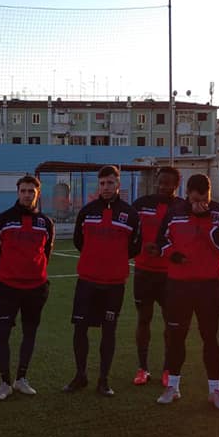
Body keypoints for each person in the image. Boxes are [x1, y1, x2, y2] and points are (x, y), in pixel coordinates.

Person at [156, 173, 219, 410]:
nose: (200, 203)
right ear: (187, 194)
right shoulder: (174, 212)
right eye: (195, 199)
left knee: (209, 336)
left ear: (209, 193)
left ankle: (215, 390)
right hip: (178, 285)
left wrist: (206, 222)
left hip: (208, 286)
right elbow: (161, 241)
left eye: (205, 198)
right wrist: (173, 254)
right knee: (176, 336)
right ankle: (172, 386)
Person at [63, 165, 140, 397]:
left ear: (118, 184)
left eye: (110, 183)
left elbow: (135, 246)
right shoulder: (87, 211)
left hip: (114, 284)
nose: (106, 187)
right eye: (103, 183)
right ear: (99, 185)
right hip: (87, 281)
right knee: (80, 329)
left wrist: (114, 259)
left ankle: (103, 380)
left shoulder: (130, 214)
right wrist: (94, 258)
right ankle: (80, 375)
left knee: (109, 330)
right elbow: (79, 241)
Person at [0, 174, 54, 400]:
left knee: (30, 332)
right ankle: (4, 382)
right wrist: (3, 272)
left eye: (31, 191)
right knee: (3, 333)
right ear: (17, 193)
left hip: (36, 288)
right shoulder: (3, 220)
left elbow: (46, 252)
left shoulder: (46, 222)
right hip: (8, 287)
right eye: (23, 191)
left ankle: (21, 378)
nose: (27, 195)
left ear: (38, 194)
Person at [130, 166, 180, 386]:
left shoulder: (181, 208)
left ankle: (168, 369)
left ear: (176, 185)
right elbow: (130, 231)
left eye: (168, 183)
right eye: (160, 182)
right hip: (144, 272)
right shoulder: (141, 204)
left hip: (171, 275)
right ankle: (142, 368)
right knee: (144, 319)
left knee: (171, 323)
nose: (162, 186)